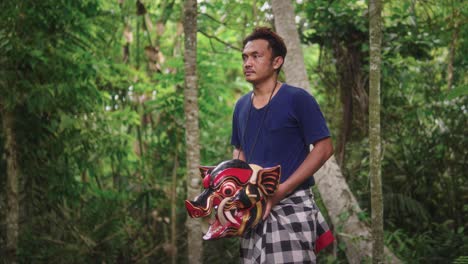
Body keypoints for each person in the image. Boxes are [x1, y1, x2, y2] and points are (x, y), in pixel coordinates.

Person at [231, 27, 335, 263]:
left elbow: (324, 147)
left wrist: (282, 190)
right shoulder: (240, 106)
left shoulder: (297, 99)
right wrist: (233, 194)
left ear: (277, 61)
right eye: (245, 57)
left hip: (292, 204)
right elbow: (241, 154)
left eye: (256, 56)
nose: (248, 62)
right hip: (254, 208)